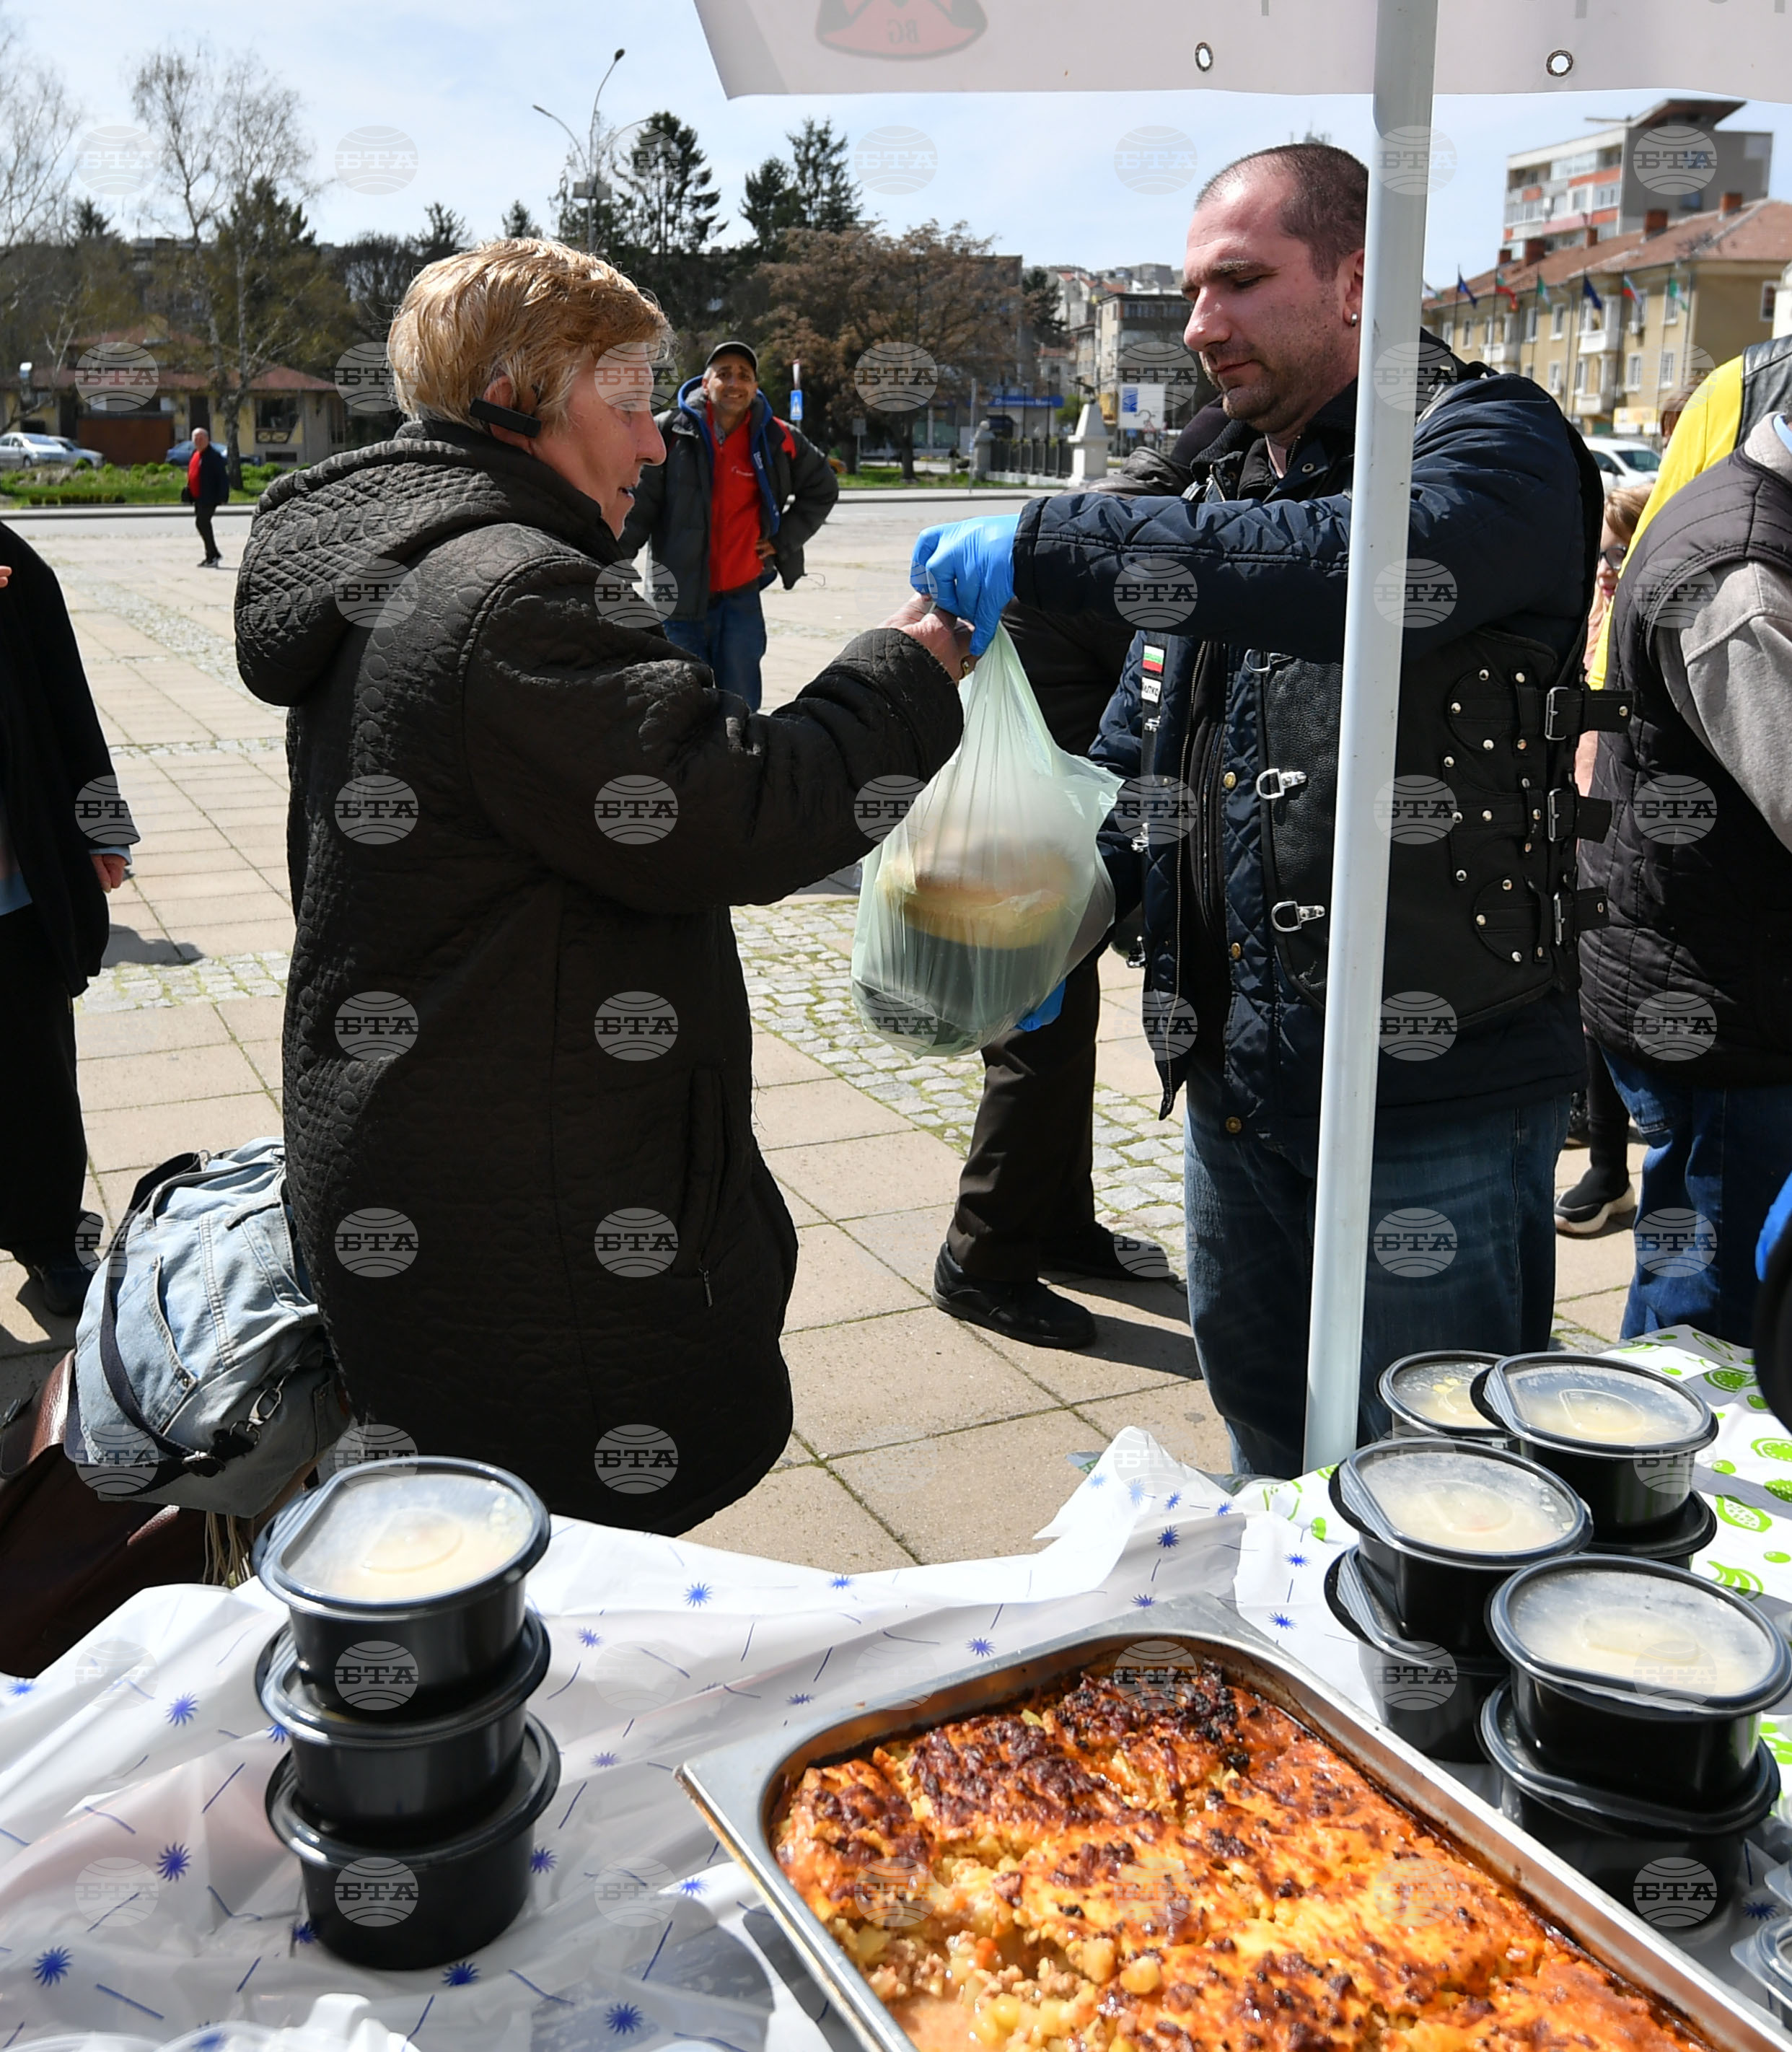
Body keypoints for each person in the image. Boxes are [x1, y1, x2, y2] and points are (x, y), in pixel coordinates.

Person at [234, 239, 969, 1533]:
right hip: (529, 1209)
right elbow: (730, 810)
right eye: (627, 398)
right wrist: (900, 672)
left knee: (477, 1553)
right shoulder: (508, 593)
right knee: (564, 1580)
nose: (652, 440)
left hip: (443, 1144)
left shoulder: (413, 558)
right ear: (516, 394)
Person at [910, 144, 1608, 1477]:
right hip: (1238, 1085)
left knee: (1436, 1492)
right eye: (1188, 290)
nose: (1197, 326)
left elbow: (1364, 562)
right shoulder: (1226, 482)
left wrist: (1061, 543)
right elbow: (1138, 750)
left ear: (1357, 279)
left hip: (1432, 1095)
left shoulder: (1492, 441)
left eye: (1236, 281)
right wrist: (1047, 916)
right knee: (1268, 1460)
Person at [934, 422, 1218, 1347]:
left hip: (1054, 828)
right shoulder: (1127, 551)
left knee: (1063, 1032)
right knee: (1034, 1045)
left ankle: (1056, 1225)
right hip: (1034, 836)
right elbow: (1152, 689)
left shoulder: (1102, 522)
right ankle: (982, 1261)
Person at [1579, 405, 1792, 1343]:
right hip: (1723, 1008)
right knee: (1709, 1320)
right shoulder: (1739, 574)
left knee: (1697, 1282)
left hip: (1723, 983)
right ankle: (1663, 1482)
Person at [0, 525, 136, 1315]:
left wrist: (100, 827)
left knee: (36, 1074)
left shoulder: (17, 570)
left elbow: (65, 702)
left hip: (11, 888)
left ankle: (50, 1239)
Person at [618, 339, 838, 710]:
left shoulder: (776, 436)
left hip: (740, 600)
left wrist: (784, 540)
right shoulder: (669, 432)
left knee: (741, 706)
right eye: (724, 374)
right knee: (679, 704)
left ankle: (740, 767)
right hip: (677, 601)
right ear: (706, 383)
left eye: (745, 376)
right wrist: (611, 567)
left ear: (755, 387)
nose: (734, 383)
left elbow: (823, 488)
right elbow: (636, 512)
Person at [1556, 481, 1651, 1237]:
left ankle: (1611, 1160)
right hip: (1583, 804)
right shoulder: (1596, 608)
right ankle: (1605, 1153)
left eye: (1622, 553)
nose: (1608, 569)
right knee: (1586, 982)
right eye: (1603, 555)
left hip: (1626, 821)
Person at [188, 426, 229, 568]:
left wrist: (223, 496)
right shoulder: (196, 454)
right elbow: (193, 473)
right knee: (202, 524)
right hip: (198, 497)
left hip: (210, 497)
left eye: (201, 438)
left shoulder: (214, 456)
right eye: (196, 438)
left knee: (202, 523)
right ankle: (211, 555)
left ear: (208, 439)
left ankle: (214, 555)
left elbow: (223, 477)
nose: (198, 441)